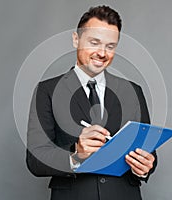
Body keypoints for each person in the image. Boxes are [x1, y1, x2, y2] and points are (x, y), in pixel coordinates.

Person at [26, 5, 157, 200]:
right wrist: (76, 155)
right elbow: (35, 160)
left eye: (110, 46)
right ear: (76, 39)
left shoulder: (133, 92)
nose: (102, 53)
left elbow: (149, 151)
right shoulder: (47, 91)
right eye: (94, 42)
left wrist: (145, 167)